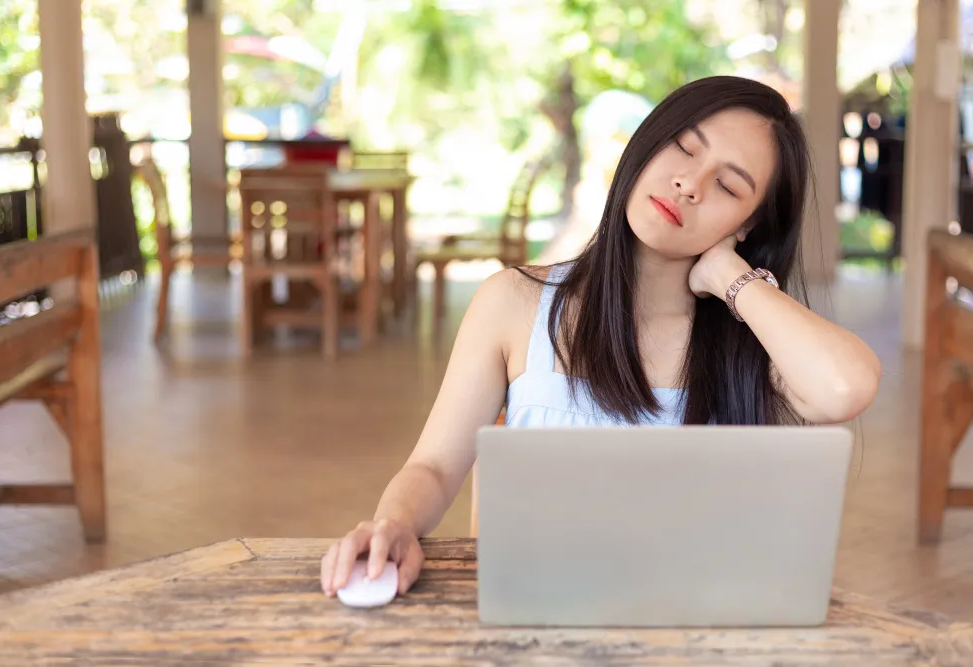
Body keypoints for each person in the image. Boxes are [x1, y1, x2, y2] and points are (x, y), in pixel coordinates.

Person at [320, 75, 882, 597]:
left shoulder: (753, 340)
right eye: (684, 148)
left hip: (686, 624)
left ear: (748, 225)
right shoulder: (513, 302)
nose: (689, 184)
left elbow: (844, 389)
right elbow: (435, 467)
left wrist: (731, 278)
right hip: (536, 616)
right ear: (647, 143)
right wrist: (394, 524)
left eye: (728, 186)